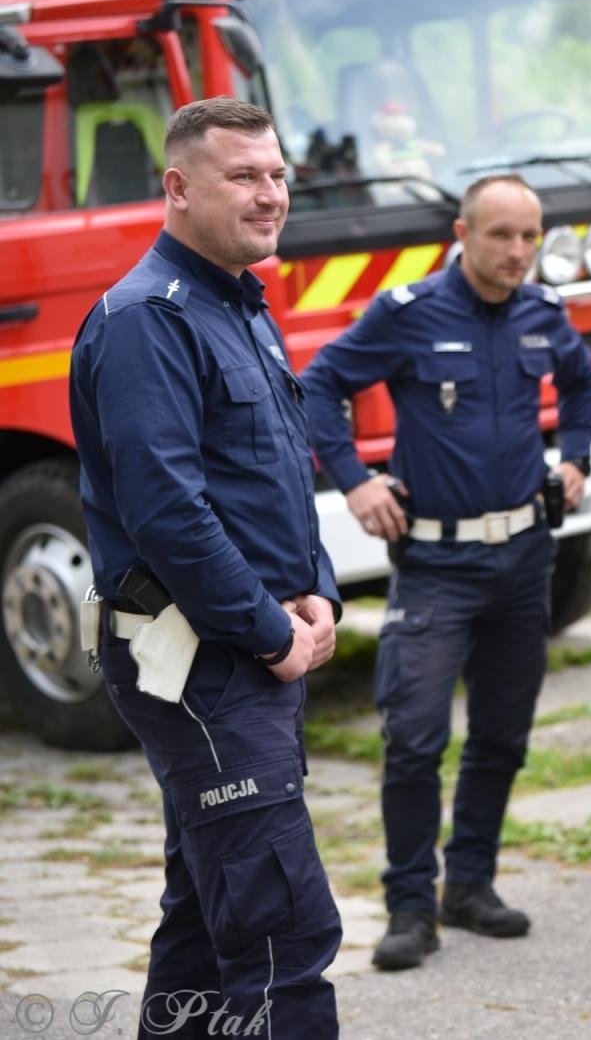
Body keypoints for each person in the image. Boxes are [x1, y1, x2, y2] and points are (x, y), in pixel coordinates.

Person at [68, 97, 343, 1037]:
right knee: (282, 935)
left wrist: (316, 590)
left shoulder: (241, 303)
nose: (270, 196)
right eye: (244, 177)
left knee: (203, 922)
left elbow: (271, 478)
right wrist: (271, 633)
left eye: (276, 175)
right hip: (199, 658)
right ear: (178, 187)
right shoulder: (149, 321)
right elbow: (169, 513)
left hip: (243, 646)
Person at [300, 174, 591, 971]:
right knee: (414, 738)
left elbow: (580, 383)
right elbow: (319, 383)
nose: (517, 252)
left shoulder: (544, 311)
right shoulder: (407, 315)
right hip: (437, 564)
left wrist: (577, 459)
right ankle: (409, 906)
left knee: (502, 735)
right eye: (500, 235)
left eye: (530, 235)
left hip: (526, 557)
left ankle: (469, 887)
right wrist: (355, 479)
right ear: (461, 233)